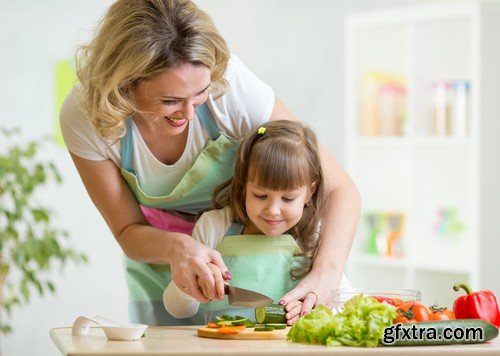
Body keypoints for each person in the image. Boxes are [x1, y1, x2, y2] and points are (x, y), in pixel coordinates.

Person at [60, 0, 360, 326]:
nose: (188, 115)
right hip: (160, 257)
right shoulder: (87, 117)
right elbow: (127, 230)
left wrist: (326, 274)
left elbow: (340, 189)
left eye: (200, 93)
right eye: (170, 101)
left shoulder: (229, 88)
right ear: (124, 85)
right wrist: (179, 249)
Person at [163, 121, 352, 325]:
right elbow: (176, 310)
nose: (272, 210)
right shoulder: (214, 225)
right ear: (245, 186)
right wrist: (194, 283)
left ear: (310, 192)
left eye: (288, 199)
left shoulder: (315, 234)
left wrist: (315, 306)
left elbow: (347, 302)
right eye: (260, 195)